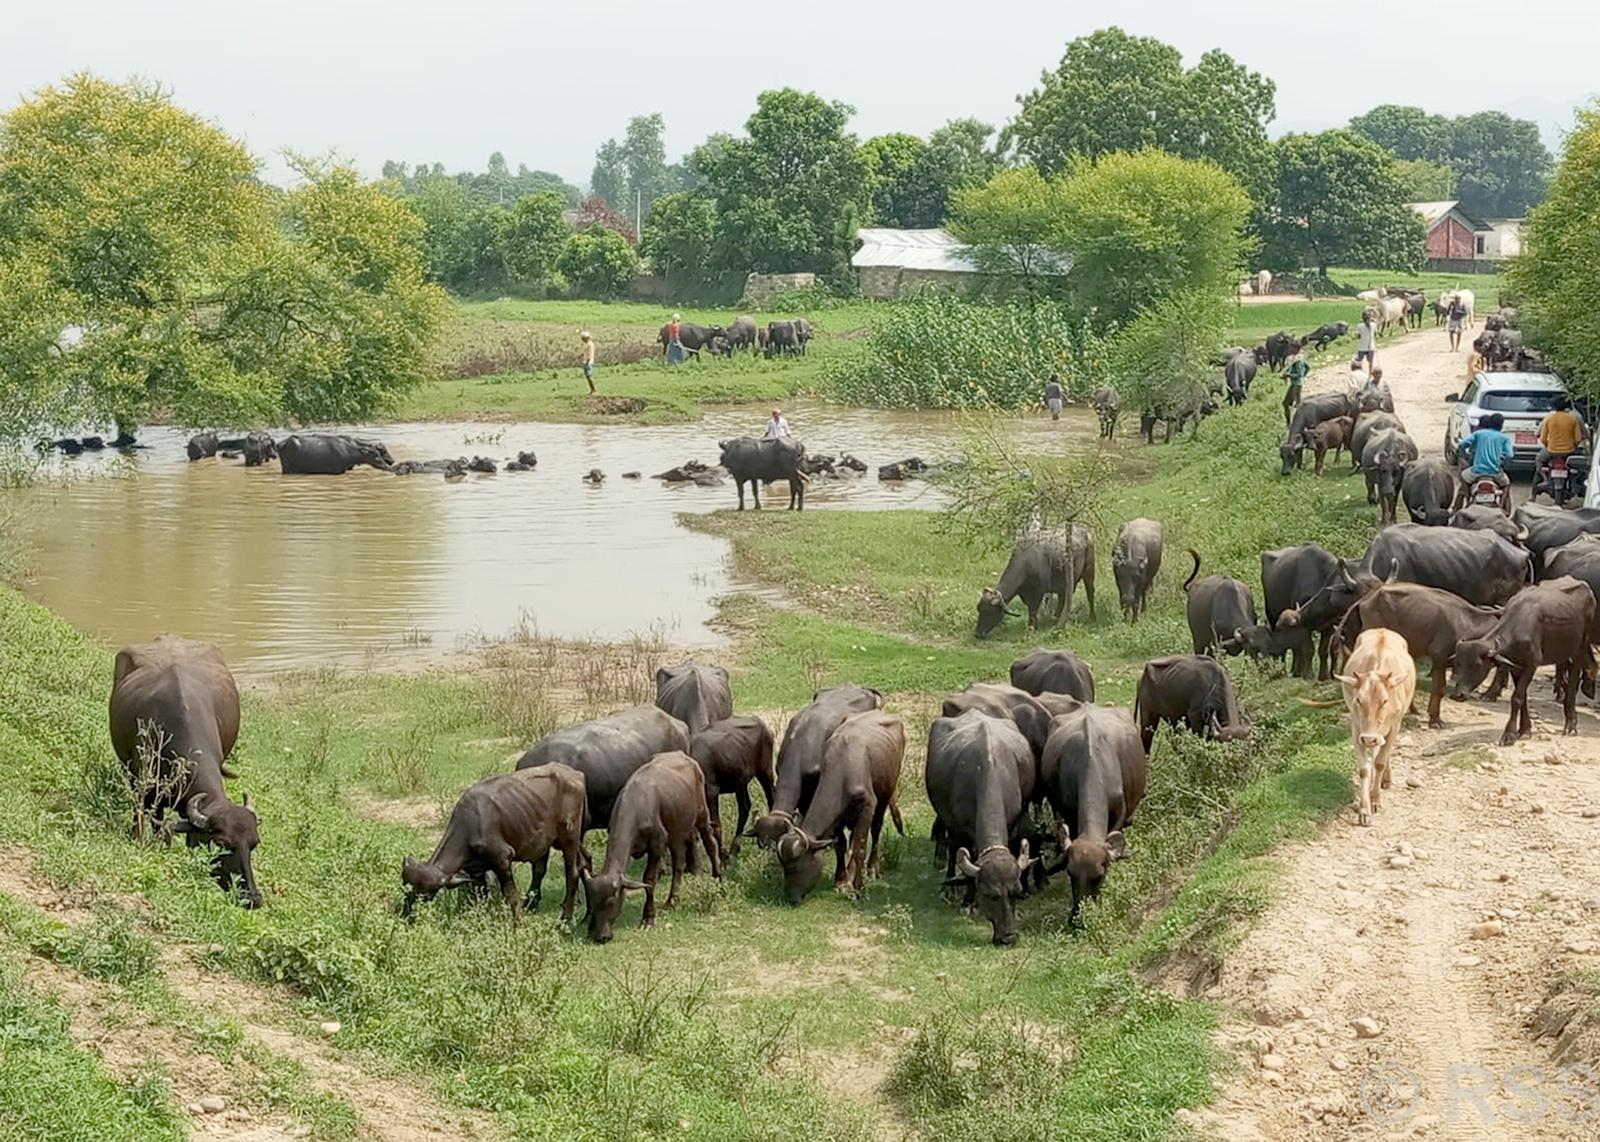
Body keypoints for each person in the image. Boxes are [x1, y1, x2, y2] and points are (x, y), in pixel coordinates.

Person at [1454, 411, 1514, 513]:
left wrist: (1463, 452)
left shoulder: (1478, 434)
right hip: (1495, 472)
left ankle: (1466, 501)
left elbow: (1462, 444)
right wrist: (1502, 463)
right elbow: (1510, 455)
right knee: (1506, 485)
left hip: (1476, 471)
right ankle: (1504, 508)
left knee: (1463, 478)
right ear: (1501, 425)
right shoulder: (1504, 438)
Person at [1534, 394, 1586, 497]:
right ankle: (1576, 483)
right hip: (1570, 451)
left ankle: (1542, 482)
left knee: (1538, 460)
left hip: (1551, 451)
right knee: (1581, 467)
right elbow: (1578, 439)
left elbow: (1543, 438)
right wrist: (1574, 447)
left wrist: (1548, 446)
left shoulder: (1549, 418)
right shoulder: (1573, 418)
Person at [1284, 350, 1309, 427]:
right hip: (1296, 384)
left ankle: (1292, 424)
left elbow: (1299, 374)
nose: (1290, 349)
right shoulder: (1299, 358)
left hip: (1296, 385)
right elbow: (1308, 367)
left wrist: (1288, 375)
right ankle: (1294, 423)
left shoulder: (1297, 361)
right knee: (1291, 404)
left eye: (1291, 347)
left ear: (1295, 348)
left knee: (1296, 405)